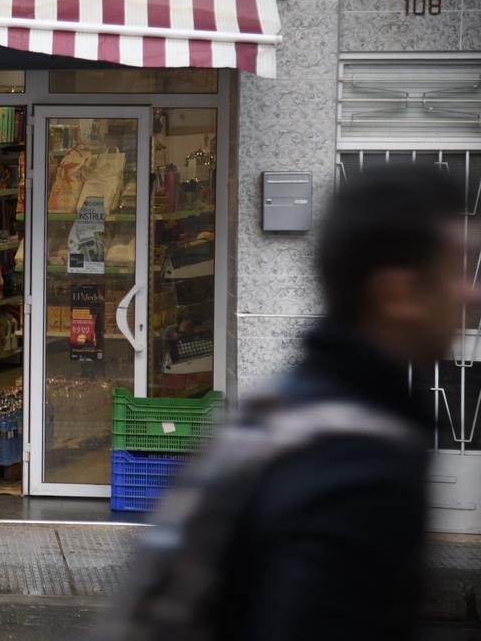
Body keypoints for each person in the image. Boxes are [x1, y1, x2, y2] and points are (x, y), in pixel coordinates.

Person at [96, 164, 479, 641]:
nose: (472, 294)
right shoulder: (355, 464)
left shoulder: (277, 407)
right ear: (396, 292)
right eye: (457, 270)